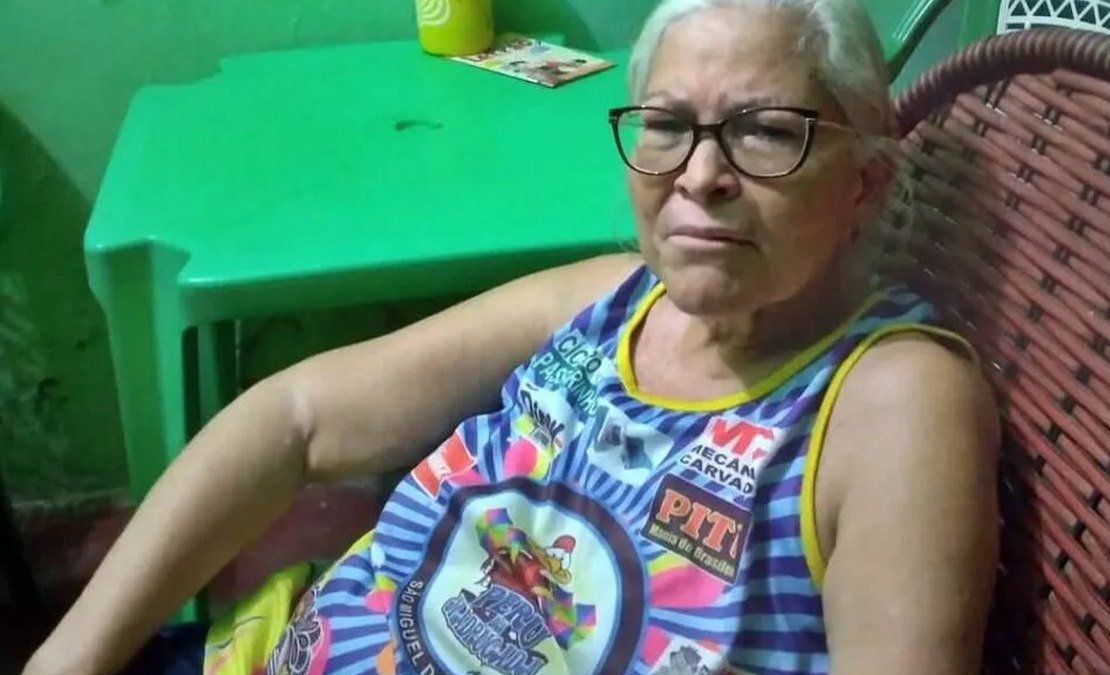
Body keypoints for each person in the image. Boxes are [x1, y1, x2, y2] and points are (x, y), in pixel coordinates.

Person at [24, 0, 1000, 672]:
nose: (700, 176)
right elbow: (296, 416)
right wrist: (67, 657)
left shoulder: (891, 401)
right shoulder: (613, 298)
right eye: (667, 125)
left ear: (864, 181)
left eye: (766, 131)